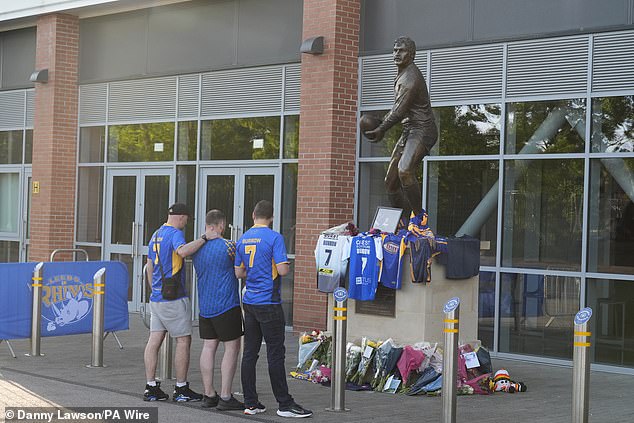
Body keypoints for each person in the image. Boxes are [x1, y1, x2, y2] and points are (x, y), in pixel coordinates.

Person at [234, 200, 313, 418]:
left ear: (252, 215)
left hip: (249, 302)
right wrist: (283, 265)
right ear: (271, 218)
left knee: (249, 352)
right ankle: (284, 404)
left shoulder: (243, 238)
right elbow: (283, 270)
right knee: (275, 354)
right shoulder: (274, 237)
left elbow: (239, 273)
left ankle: (251, 403)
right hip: (269, 302)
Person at [143, 202, 215, 402]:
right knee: (183, 340)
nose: (186, 223)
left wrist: (154, 289)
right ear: (181, 217)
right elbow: (183, 252)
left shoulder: (156, 234)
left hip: (157, 297)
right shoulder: (175, 234)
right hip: (173, 298)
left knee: (154, 340)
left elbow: (149, 266)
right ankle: (181, 388)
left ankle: (150, 387)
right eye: (186, 219)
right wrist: (203, 238)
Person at [364, 36, 437, 216]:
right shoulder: (402, 74)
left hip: (422, 130)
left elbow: (399, 110)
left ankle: (420, 220)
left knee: (404, 170)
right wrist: (380, 121)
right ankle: (404, 221)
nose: (397, 53)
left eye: (401, 50)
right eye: (395, 50)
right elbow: (398, 109)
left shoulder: (411, 78)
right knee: (390, 182)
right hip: (409, 130)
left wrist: (381, 128)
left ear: (411, 54)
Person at [192, 209, 244, 411]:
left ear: (207, 226)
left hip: (205, 307)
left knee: (208, 347)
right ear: (221, 226)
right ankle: (225, 396)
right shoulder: (230, 246)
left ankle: (208, 394)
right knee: (231, 348)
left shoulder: (196, 248)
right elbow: (241, 268)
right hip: (227, 305)